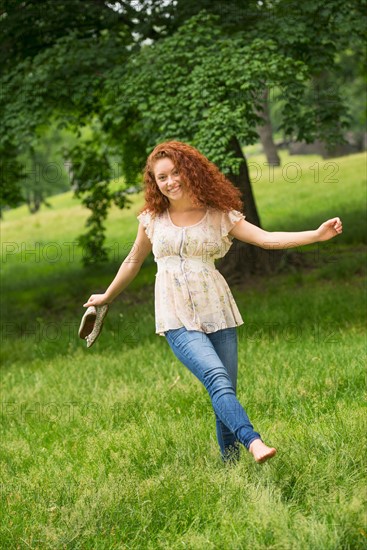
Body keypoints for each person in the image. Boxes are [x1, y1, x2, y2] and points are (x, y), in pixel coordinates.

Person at [83, 141, 343, 464]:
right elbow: (133, 261)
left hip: (217, 310)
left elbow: (266, 238)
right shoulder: (152, 218)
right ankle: (254, 441)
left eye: (175, 172)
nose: (170, 182)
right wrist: (107, 295)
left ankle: (230, 467)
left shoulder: (219, 214)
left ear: (190, 170)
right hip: (176, 316)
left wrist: (315, 236)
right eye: (161, 177)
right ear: (154, 182)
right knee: (216, 379)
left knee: (224, 392)